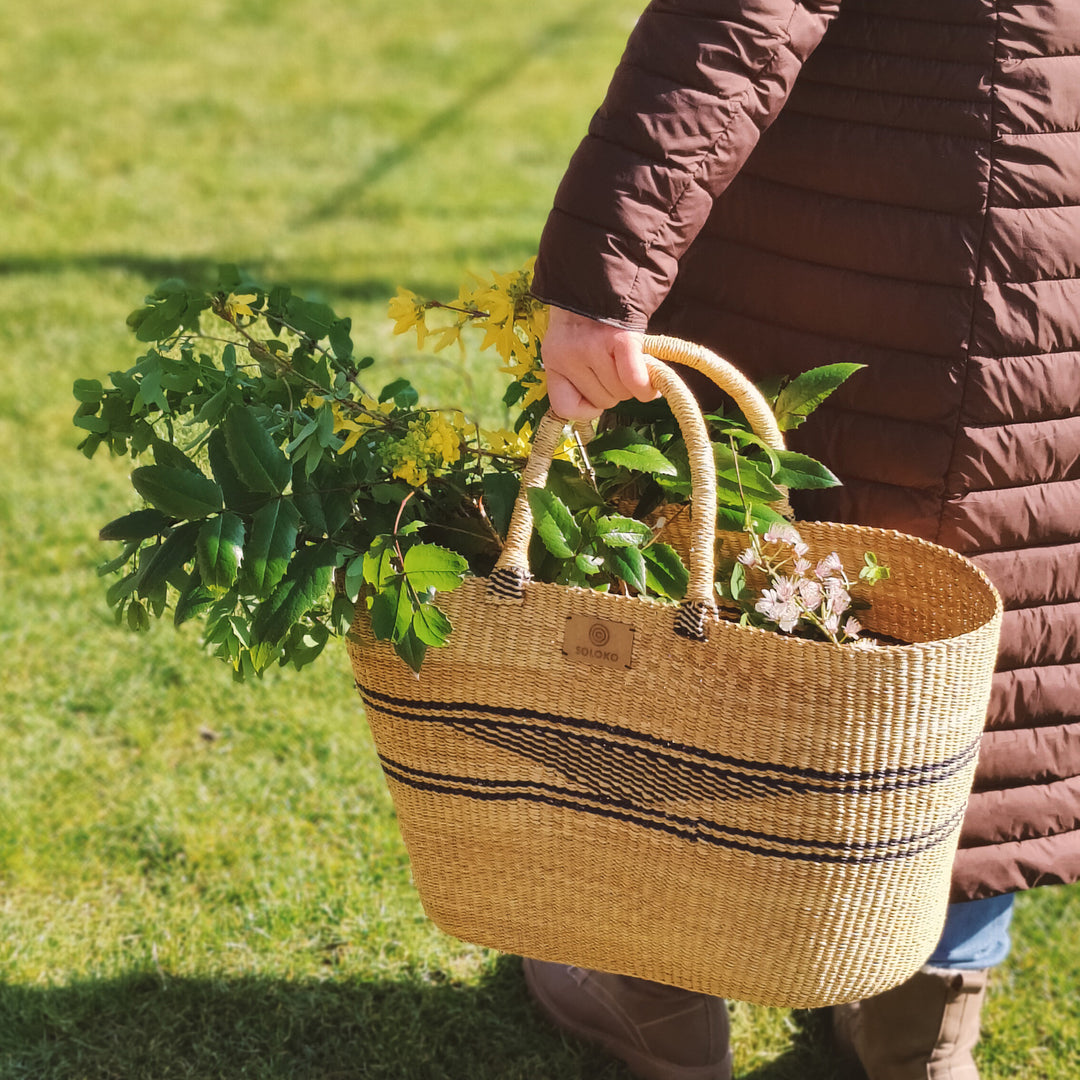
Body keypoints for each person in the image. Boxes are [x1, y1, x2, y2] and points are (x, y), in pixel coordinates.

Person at [522, 2, 1080, 1078]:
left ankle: (662, 990)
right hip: (1052, 236)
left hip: (856, 229)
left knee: (728, 585)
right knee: (978, 605)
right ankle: (925, 1022)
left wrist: (604, 273)